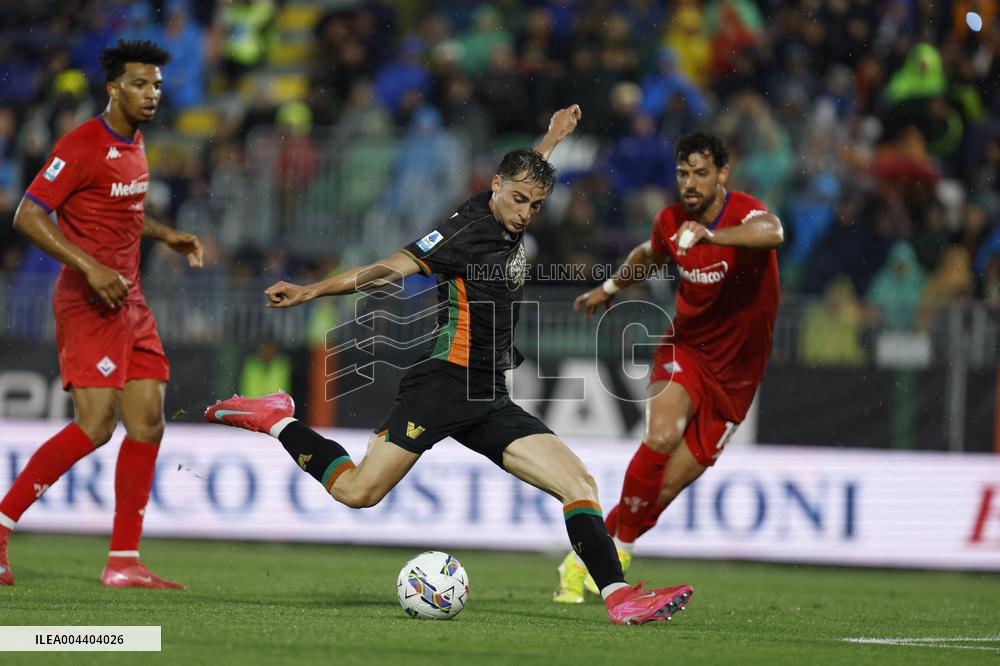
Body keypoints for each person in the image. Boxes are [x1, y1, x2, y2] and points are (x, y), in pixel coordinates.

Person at [205, 106, 693, 625]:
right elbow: (389, 267)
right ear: (496, 185)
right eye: (519, 199)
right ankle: (277, 418)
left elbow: (529, 170)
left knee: (580, 485)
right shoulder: (464, 232)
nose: (527, 213)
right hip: (444, 384)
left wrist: (551, 135)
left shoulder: (512, 194)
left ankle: (620, 600)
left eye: (537, 204)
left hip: (487, 394)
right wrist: (311, 290)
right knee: (358, 492)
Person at [0, 40, 204, 589]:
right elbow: (27, 214)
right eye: (140, 84)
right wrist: (90, 268)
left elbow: (123, 211)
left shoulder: (136, 143)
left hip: (130, 301)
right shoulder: (82, 143)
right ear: (113, 88)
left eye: (157, 85)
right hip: (89, 302)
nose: (151, 94)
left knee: (149, 421)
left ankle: (123, 562)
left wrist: (167, 235)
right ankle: (0, 526)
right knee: (95, 427)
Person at [554, 130, 783, 602]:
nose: (690, 183)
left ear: (723, 174)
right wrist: (611, 289)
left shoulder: (743, 214)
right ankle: (618, 558)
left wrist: (713, 234)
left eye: (701, 172)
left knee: (660, 492)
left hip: (737, 377)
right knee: (659, 436)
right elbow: (648, 254)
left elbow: (774, 232)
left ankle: (581, 560)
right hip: (686, 350)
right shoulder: (670, 221)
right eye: (683, 173)